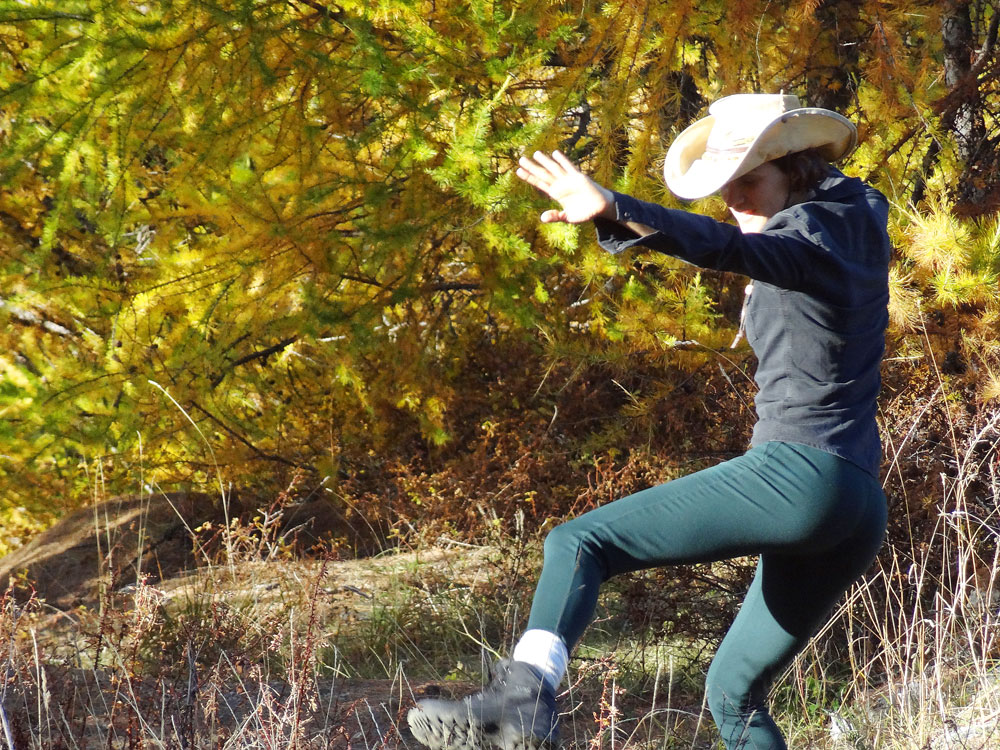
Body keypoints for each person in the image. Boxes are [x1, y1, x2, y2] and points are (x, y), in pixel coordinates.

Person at [407, 93, 890, 750]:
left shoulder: (805, 237)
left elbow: (725, 248)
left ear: (795, 169)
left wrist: (614, 208)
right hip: (858, 505)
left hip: (801, 476)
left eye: (750, 181)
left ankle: (521, 700)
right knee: (732, 692)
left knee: (577, 544)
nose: (736, 201)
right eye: (726, 188)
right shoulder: (848, 229)